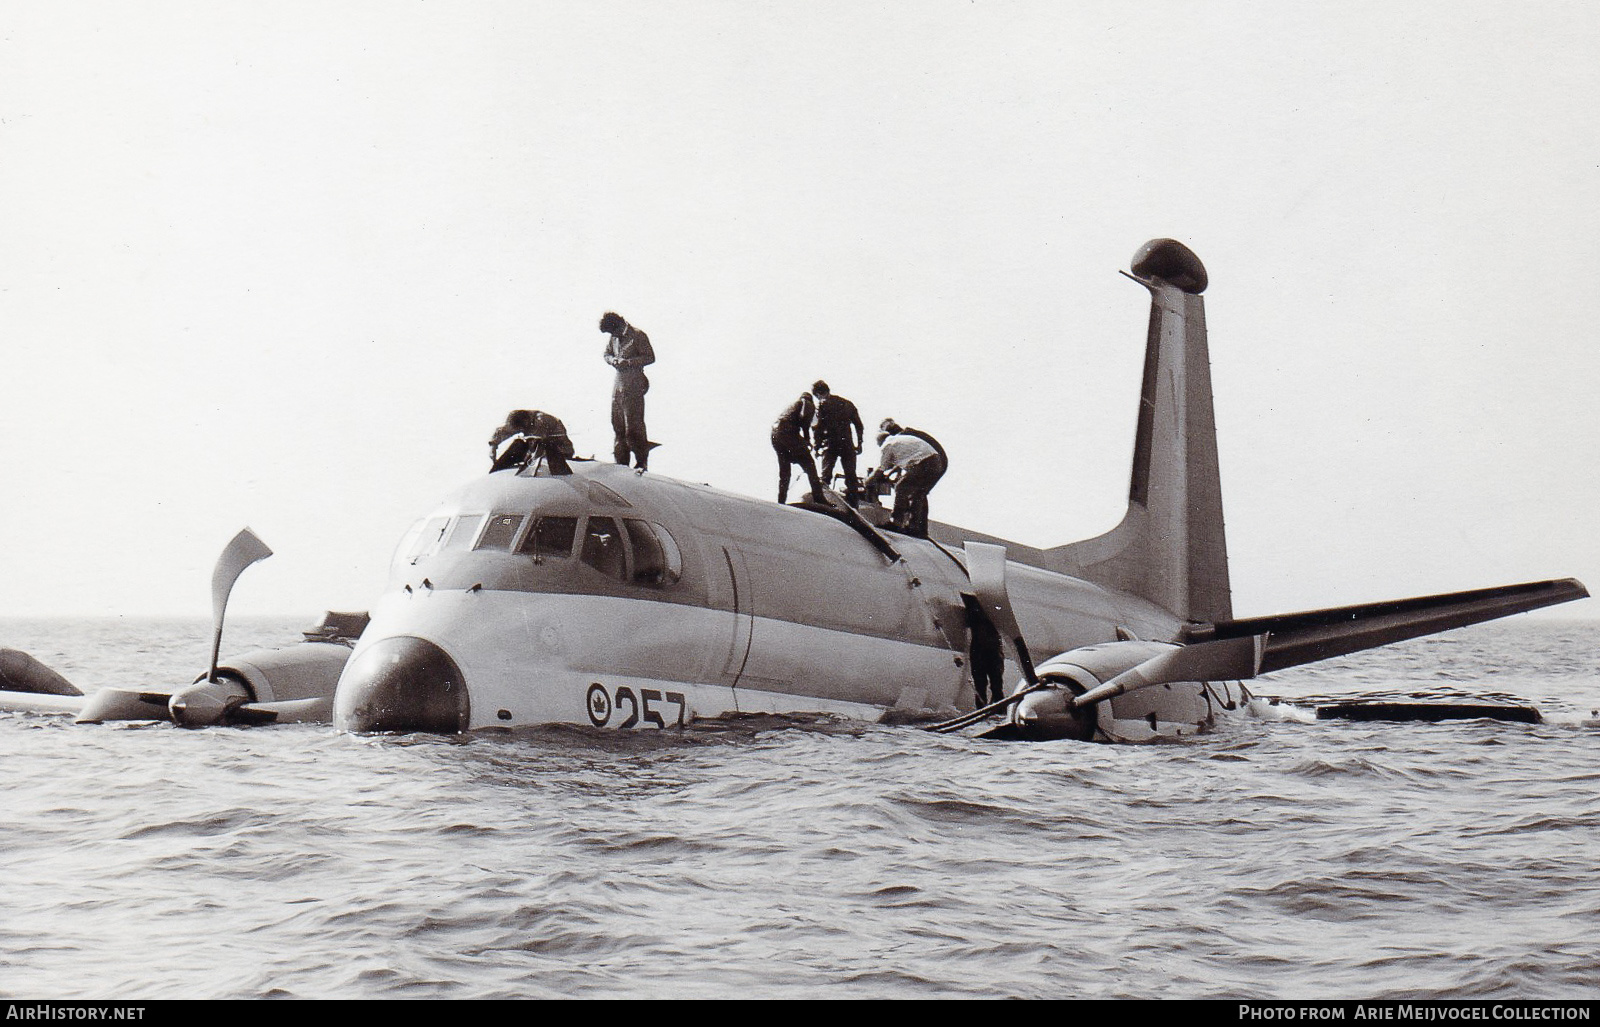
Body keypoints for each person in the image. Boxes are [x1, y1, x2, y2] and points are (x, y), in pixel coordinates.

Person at [600, 312, 656, 470]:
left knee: (633, 426)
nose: (613, 335)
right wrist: (613, 360)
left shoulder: (637, 335)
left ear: (619, 325)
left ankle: (641, 462)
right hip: (618, 385)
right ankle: (621, 463)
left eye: (613, 331)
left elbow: (650, 357)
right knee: (617, 425)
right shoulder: (614, 338)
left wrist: (629, 362)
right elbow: (606, 354)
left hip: (634, 384)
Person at [864, 425, 941, 537]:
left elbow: (881, 469)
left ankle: (896, 522)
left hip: (924, 463)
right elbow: (897, 464)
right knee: (918, 494)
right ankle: (917, 528)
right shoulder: (899, 441)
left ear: (880, 442)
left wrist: (867, 482)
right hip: (936, 462)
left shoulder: (887, 445)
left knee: (901, 487)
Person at [809, 380, 864, 504]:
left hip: (831, 444)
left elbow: (817, 428)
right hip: (847, 444)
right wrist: (860, 443)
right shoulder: (847, 404)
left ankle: (822, 503)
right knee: (851, 477)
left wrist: (817, 446)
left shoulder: (821, 406)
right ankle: (854, 506)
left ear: (817, 394)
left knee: (825, 477)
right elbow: (859, 425)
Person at [771, 392, 825, 504]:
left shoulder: (793, 405)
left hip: (775, 434)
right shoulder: (808, 404)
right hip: (788, 433)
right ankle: (819, 498)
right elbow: (805, 421)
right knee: (810, 465)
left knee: (785, 471)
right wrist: (807, 440)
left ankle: (781, 501)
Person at [488, 409, 575, 475]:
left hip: (557, 451)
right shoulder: (520, 421)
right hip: (534, 450)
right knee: (518, 443)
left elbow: (539, 442)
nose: (520, 430)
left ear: (526, 421)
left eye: (521, 429)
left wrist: (528, 462)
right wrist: (493, 446)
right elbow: (504, 431)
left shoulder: (541, 420)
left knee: (533, 443)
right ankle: (495, 471)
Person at [961, 594, 1005, 709]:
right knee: (991, 685)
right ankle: (994, 710)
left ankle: (986, 710)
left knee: (986, 685)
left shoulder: (977, 609)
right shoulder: (994, 609)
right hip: (988, 648)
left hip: (984, 648)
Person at [878, 418, 946, 488]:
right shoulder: (908, 434)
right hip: (938, 461)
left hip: (933, 461)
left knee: (906, 488)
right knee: (917, 491)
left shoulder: (901, 437)